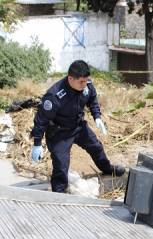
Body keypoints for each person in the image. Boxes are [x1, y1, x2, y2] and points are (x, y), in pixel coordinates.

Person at [30, 60, 125, 193]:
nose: (84, 84)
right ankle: (59, 192)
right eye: (81, 81)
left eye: (86, 80)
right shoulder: (55, 95)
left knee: (96, 147)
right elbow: (41, 120)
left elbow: (92, 100)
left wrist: (97, 116)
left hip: (78, 127)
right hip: (59, 133)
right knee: (61, 164)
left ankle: (107, 168)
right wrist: (37, 143)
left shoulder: (86, 85)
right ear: (70, 78)